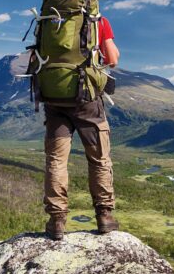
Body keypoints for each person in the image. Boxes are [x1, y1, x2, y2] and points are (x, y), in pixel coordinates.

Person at [43, 16, 120, 240]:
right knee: (99, 159)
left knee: (56, 161)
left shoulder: (48, 20)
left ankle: (57, 221)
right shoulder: (99, 20)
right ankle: (104, 216)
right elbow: (112, 59)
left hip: (54, 100)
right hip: (88, 101)